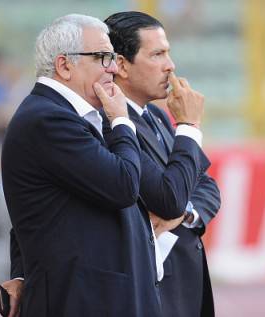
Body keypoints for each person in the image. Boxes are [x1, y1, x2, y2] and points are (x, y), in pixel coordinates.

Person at [0, 13, 211, 317]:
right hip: (87, 300)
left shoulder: (80, 114)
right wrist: (122, 121)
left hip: (114, 295)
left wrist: (186, 213)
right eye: (102, 57)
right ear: (64, 65)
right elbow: (124, 186)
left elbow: (203, 183)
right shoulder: (50, 118)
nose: (111, 66)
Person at [104, 11, 220, 317]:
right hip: (153, 293)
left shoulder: (155, 115)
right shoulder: (112, 125)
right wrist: (190, 125)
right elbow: (169, 197)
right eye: (157, 54)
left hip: (184, 287)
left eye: (167, 52)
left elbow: (206, 185)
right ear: (121, 65)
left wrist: (187, 213)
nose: (171, 65)